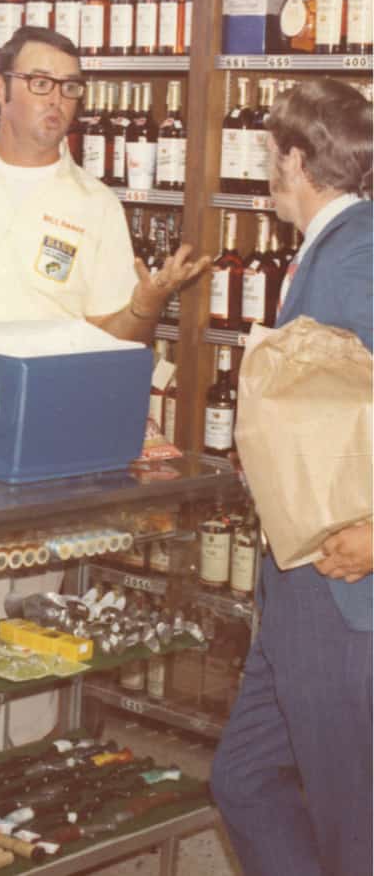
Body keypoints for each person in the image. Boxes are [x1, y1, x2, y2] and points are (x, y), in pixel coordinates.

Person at [211, 78, 373, 876]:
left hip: (342, 592)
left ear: (297, 160)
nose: (266, 171)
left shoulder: (357, 255)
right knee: (243, 780)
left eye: (270, 155)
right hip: (300, 586)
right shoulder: (335, 249)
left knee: (353, 823)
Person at [0, 26, 209, 341]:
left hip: (48, 387)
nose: (57, 99)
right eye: (41, 83)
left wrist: (143, 308)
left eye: (69, 87)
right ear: (1, 89)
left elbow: (110, 338)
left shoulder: (98, 204)